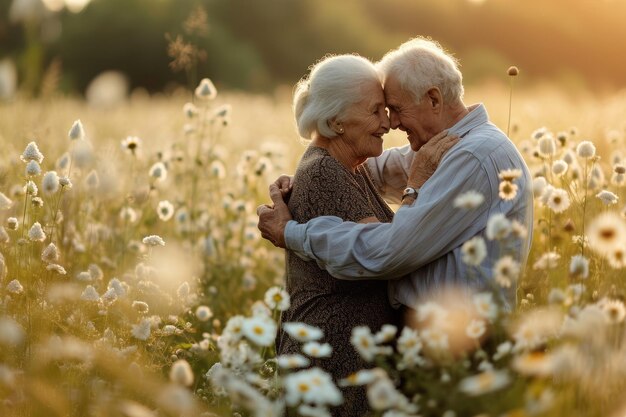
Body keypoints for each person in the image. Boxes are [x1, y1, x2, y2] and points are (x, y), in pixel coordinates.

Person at [257, 37, 534, 310]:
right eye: (382, 110)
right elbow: (371, 169)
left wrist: (291, 234)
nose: (392, 122)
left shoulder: (470, 157)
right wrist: (307, 180)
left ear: (433, 99)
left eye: (396, 109)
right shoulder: (448, 145)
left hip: (460, 340)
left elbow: (389, 252)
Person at [276, 54, 405, 417]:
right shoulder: (323, 172)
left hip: (346, 358)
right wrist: (420, 184)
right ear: (336, 121)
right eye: (376, 111)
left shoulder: (349, 164)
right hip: (330, 360)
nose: (388, 123)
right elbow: (388, 254)